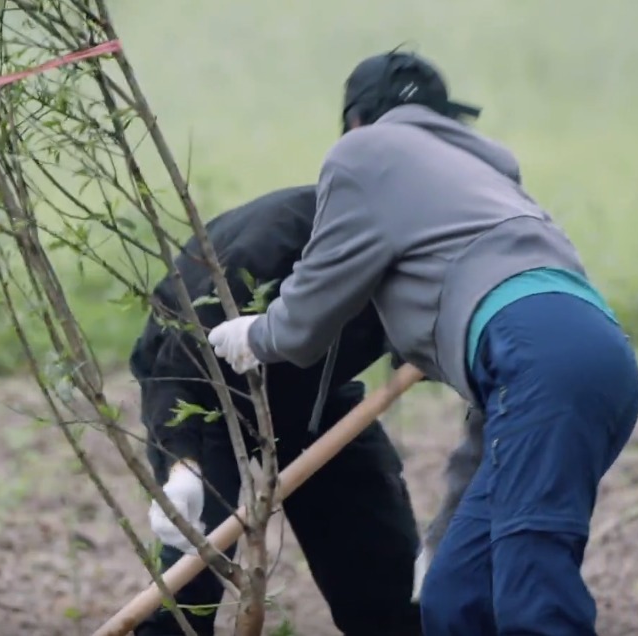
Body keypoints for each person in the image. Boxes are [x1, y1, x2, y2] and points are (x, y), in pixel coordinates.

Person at [208, 48, 638, 635]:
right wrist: (441, 537)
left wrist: (258, 335)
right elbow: (493, 412)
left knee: (532, 595)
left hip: (537, 354)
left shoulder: (363, 151)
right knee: (456, 593)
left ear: (357, 120)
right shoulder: (486, 180)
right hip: (586, 355)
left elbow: (308, 315)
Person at [130, 185, 423, 636]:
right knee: (193, 573)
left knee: (382, 566)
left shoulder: (425, 254)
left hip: (316, 392)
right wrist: (182, 467)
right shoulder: (266, 250)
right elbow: (180, 373)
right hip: (208, 394)